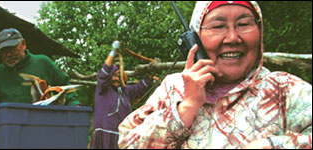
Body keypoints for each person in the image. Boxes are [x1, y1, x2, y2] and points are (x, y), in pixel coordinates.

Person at [118, 1, 312, 149]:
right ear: (196, 38)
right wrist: (186, 108)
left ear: (260, 32)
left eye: (244, 24)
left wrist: (271, 145)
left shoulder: (283, 89)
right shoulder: (173, 88)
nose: (232, 38)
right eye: (218, 26)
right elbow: (126, 143)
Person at [0, 28, 80, 116]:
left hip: (42, 123)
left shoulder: (43, 62)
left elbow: (66, 87)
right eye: (4, 51)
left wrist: (74, 105)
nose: (8, 54)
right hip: (10, 126)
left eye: (12, 48)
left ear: (23, 44)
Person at [90, 41, 155, 149]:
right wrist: (113, 52)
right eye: (114, 75)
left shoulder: (125, 92)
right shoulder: (103, 89)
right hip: (104, 135)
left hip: (120, 138)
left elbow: (140, 87)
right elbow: (103, 73)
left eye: (118, 75)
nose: (116, 78)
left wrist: (151, 73)